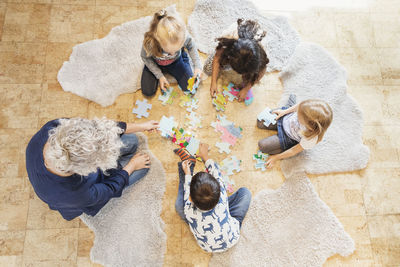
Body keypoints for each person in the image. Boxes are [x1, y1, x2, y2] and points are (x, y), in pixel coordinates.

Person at [25, 117, 159, 221]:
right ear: (86, 170)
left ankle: (122, 161)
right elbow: (110, 188)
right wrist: (132, 166)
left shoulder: (54, 128)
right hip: (91, 189)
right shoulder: (74, 194)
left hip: (82, 173)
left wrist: (142, 126)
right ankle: (128, 166)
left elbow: (99, 128)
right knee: (142, 168)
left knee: (132, 139)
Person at [174, 145, 252, 253]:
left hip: (207, 247)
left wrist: (188, 174)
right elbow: (216, 172)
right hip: (232, 238)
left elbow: (187, 190)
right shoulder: (222, 195)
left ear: (191, 199)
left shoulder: (189, 211)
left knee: (179, 206)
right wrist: (205, 156)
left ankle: (188, 164)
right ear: (218, 190)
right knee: (245, 193)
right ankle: (219, 210)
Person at [140, 9, 202, 96]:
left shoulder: (182, 36)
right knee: (147, 91)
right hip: (156, 62)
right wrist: (160, 76)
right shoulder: (150, 43)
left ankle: (183, 56)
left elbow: (191, 46)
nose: (173, 54)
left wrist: (197, 66)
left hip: (176, 62)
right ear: (159, 41)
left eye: (177, 49)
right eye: (169, 51)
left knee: (189, 87)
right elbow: (145, 58)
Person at [204, 19, 269, 101]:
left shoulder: (261, 50)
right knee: (207, 69)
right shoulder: (229, 37)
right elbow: (217, 57)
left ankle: (247, 75)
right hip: (232, 47)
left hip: (253, 49)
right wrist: (213, 82)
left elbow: (262, 71)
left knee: (250, 78)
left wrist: (246, 89)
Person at [257, 98, 333, 168]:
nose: (297, 114)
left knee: (263, 146)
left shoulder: (311, 139)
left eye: (299, 116)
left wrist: (276, 157)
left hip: (288, 138)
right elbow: (298, 106)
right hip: (285, 118)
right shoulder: (305, 107)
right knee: (260, 122)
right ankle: (289, 105)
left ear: (309, 126)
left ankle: (283, 148)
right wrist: (284, 112)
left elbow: (293, 151)